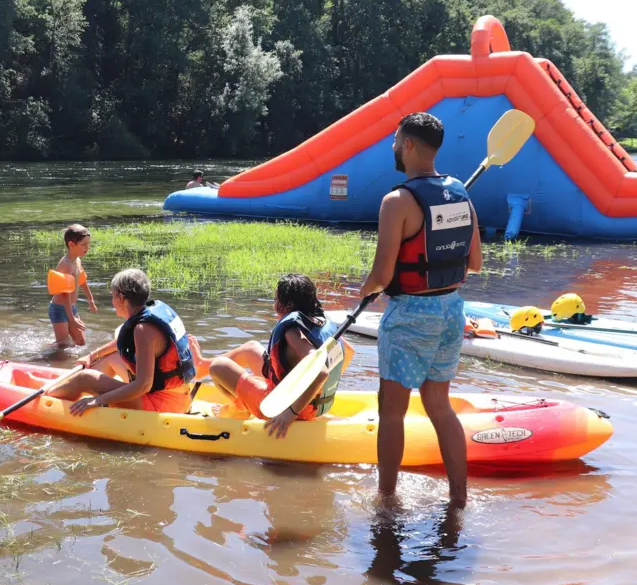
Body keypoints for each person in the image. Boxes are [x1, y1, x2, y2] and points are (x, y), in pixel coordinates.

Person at [358, 112, 482, 509]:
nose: (393, 147)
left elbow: (381, 274)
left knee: (391, 412)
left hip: (412, 313)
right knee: (439, 406)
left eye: (396, 140)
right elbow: (475, 262)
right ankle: (458, 499)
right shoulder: (461, 192)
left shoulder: (397, 201)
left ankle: (386, 500)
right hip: (451, 310)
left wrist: (363, 293)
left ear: (408, 145)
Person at [207, 274, 349, 438]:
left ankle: (239, 409)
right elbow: (348, 351)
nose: (274, 303)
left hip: (281, 408)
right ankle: (245, 402)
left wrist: (290, 414)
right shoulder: (320, 324)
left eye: (276, 299)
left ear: (285, 305)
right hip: (311, 405)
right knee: (254, 350)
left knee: (218, 366)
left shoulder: (292, 333)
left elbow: (321, 371)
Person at [49, 268, 199, 414]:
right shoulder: (147, 316)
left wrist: (99, 400)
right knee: (112, 358)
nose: (112, 301)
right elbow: (122, 344)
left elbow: (143, 386)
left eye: (113, 296)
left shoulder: (143, 330)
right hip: (179, 396)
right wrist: (92, 356)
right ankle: (70, 388)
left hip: (161, 404)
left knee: (85, 378)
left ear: (121, 298)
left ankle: (49, 399)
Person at [48, 224, 97, 347]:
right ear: (71, 244)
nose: (87, 247)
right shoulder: (65, 265)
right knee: (63, 345)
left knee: (80, 342)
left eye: (88, 244)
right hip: (59, 308)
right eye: (83, 245)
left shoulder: (77, 260)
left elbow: (82, 280)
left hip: (72, 307)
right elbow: (64, 294)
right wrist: (72, 318)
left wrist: (90, 299)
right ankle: (45, 350)